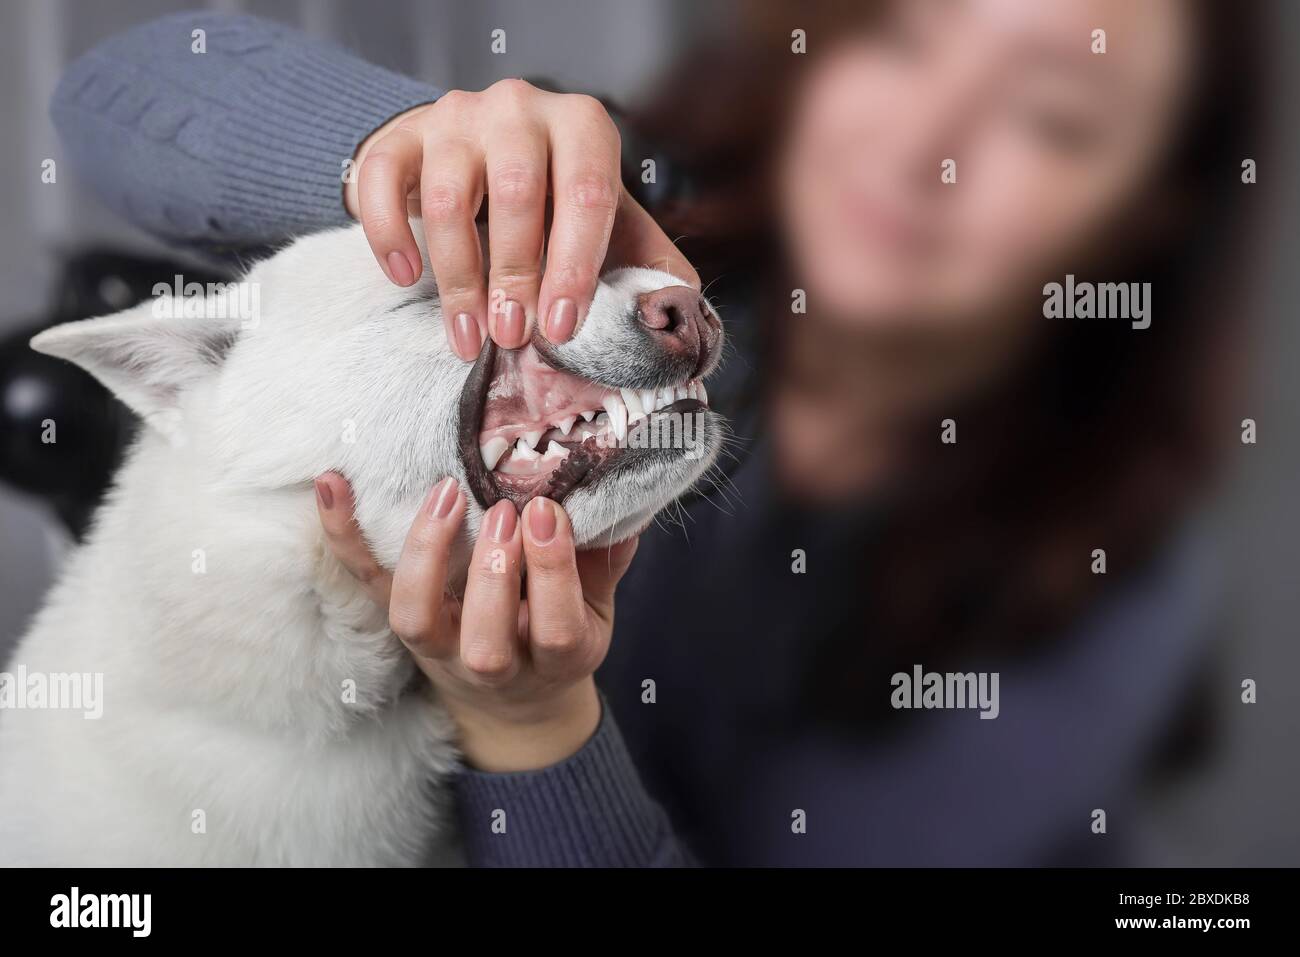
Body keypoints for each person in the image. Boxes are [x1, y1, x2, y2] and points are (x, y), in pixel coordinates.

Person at [49, 0, 1264, 865]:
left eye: (1050, 119)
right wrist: (424, 162)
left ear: (1140, 216)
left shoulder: (1096, 596)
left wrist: (536, 729)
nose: (926, 147)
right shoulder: (632, 206)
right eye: (905, 39)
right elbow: (112, 93)